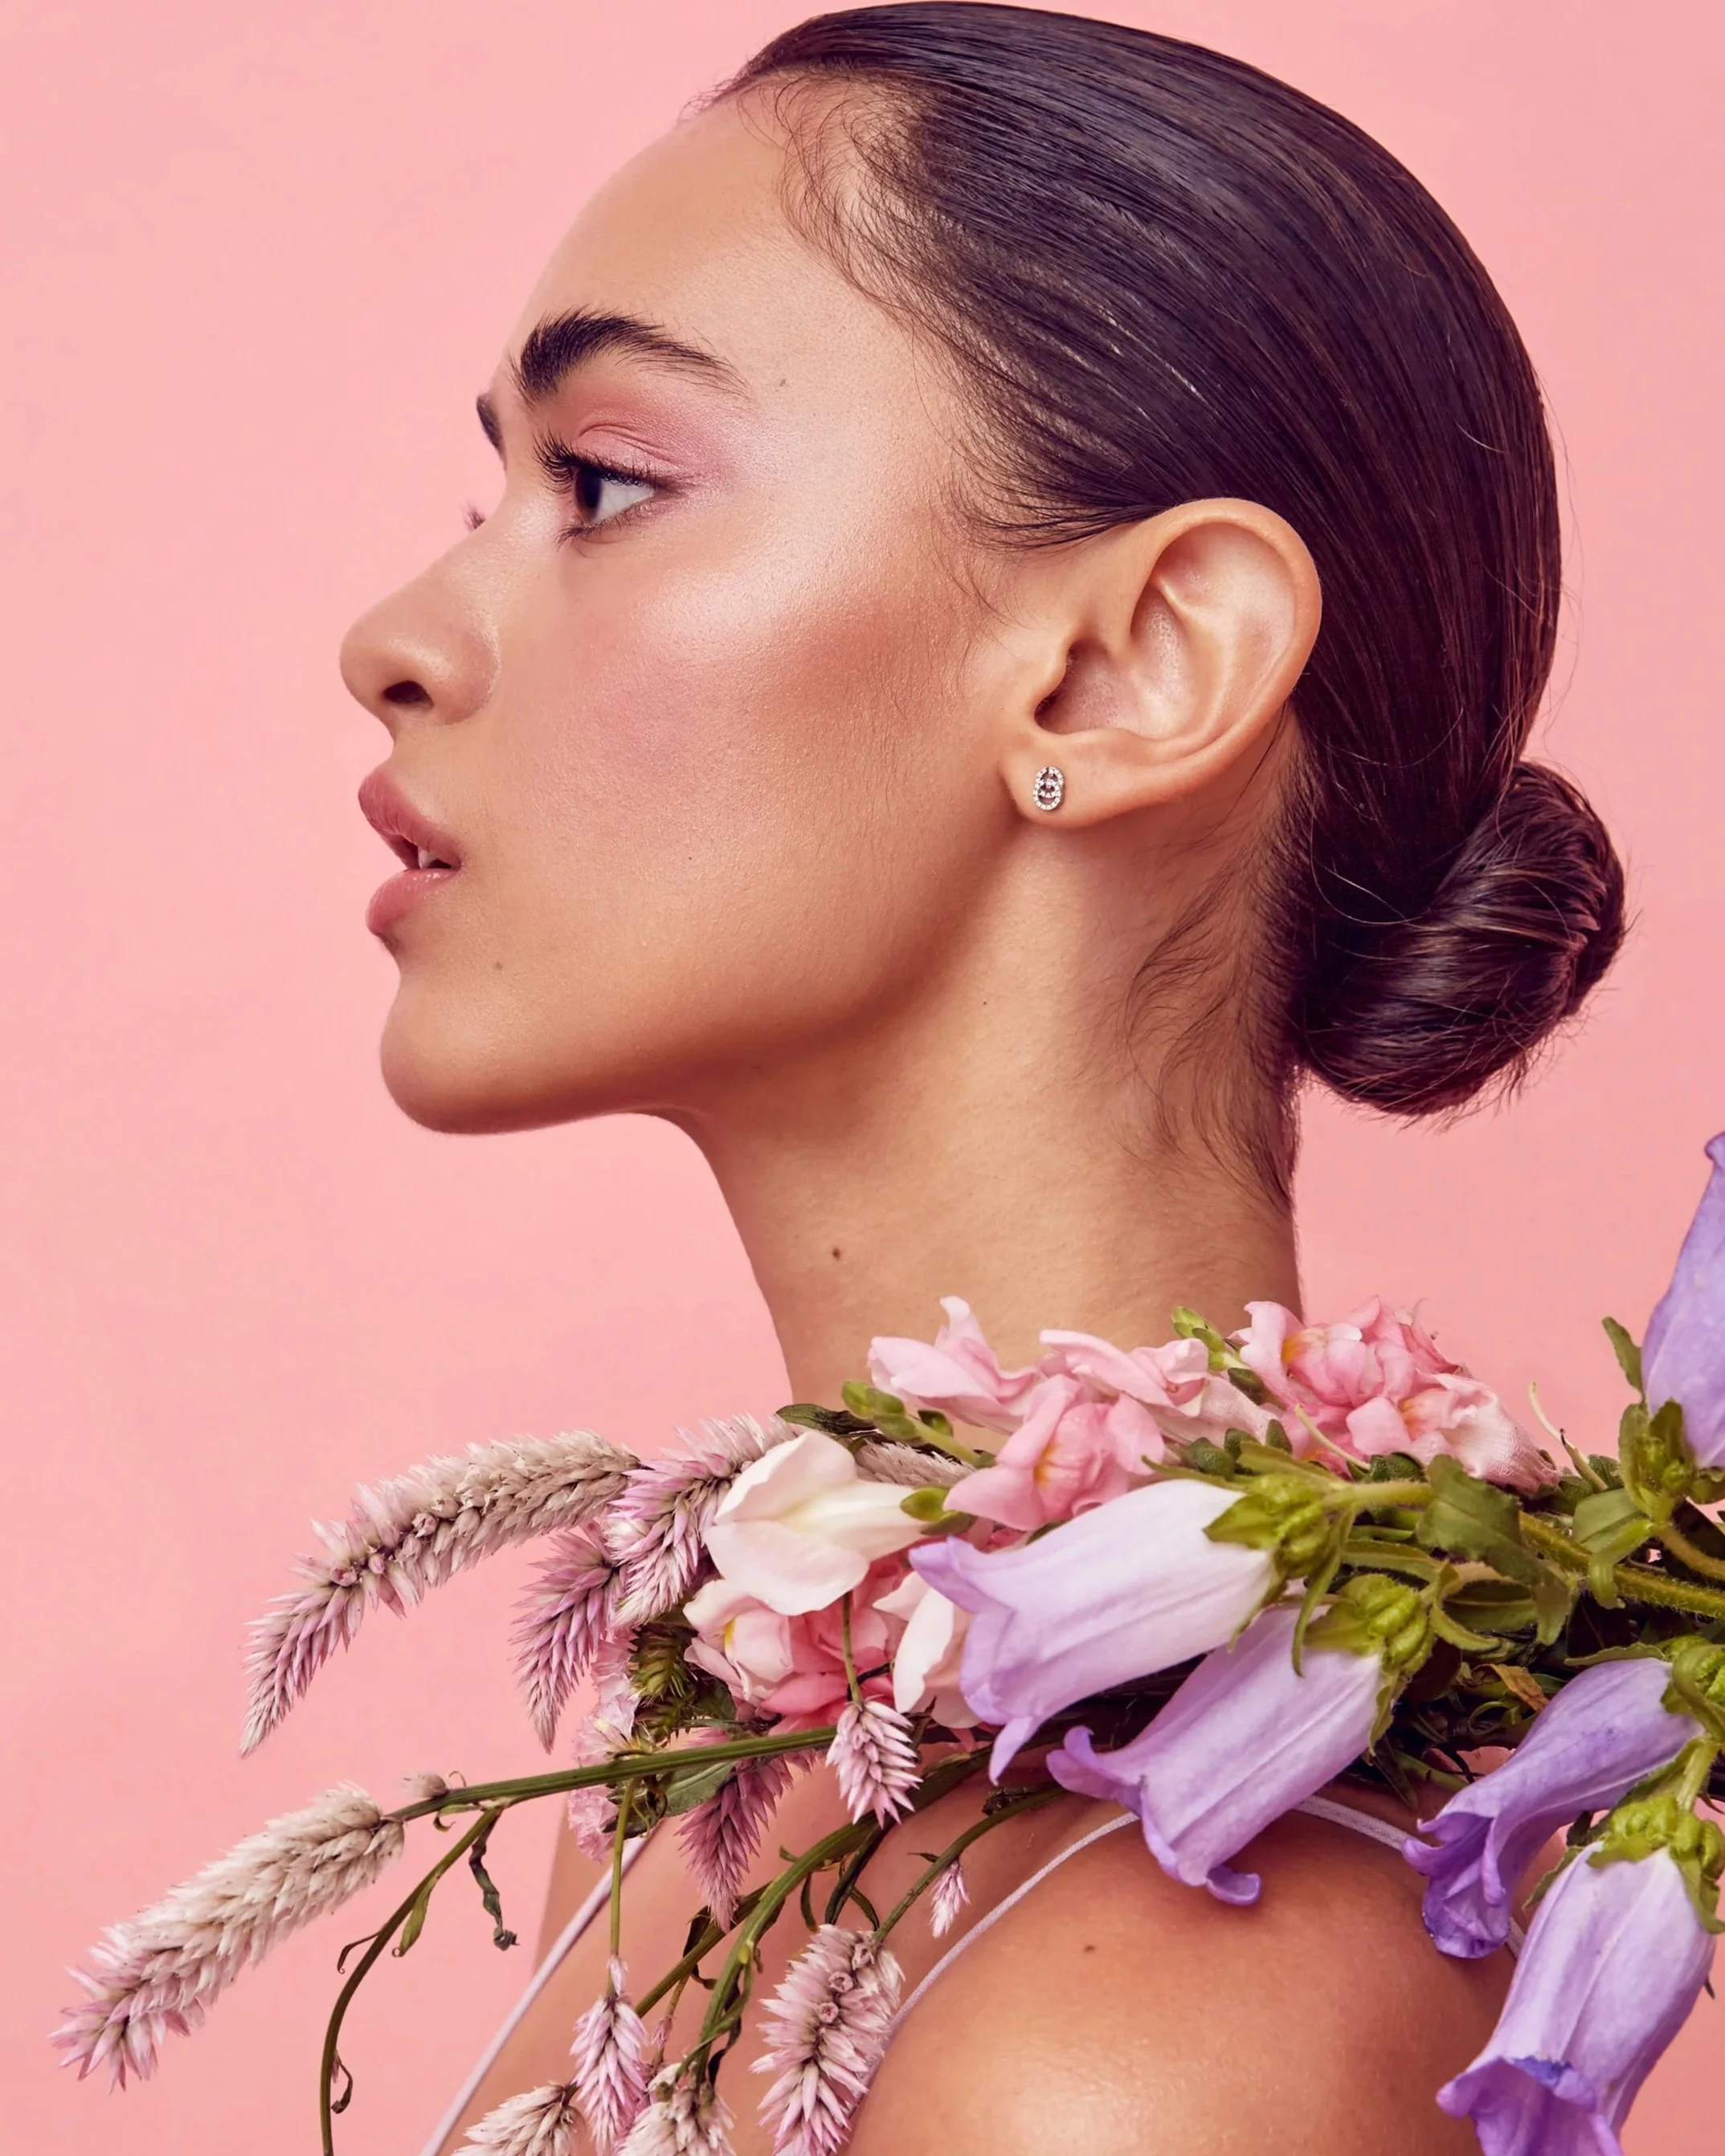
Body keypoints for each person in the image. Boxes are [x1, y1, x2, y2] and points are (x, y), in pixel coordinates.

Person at [337, 9, 1625, 2150]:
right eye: (498, 489)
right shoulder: (736, 1785)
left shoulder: (1157, 2038)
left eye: (604, 484)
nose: (393, 635)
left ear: (1131, 667)